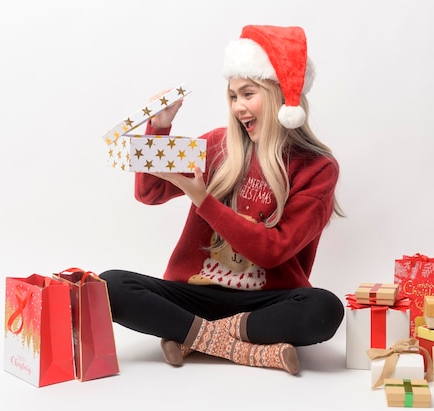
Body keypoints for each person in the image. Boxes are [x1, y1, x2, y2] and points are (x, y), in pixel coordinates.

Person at [100, 24, 345, 376]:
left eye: (248, 93)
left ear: (279, 94)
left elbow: (271, 251)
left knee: (324, 309)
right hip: (194, 295)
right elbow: (150, 192)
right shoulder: (216, 145)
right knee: (109, 284)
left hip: (263, 303)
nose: (238, 107)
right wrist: (160, 128)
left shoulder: (318, 168)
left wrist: (203, 200)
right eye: (233, 96)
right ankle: (246, 349)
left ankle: (190, 335)